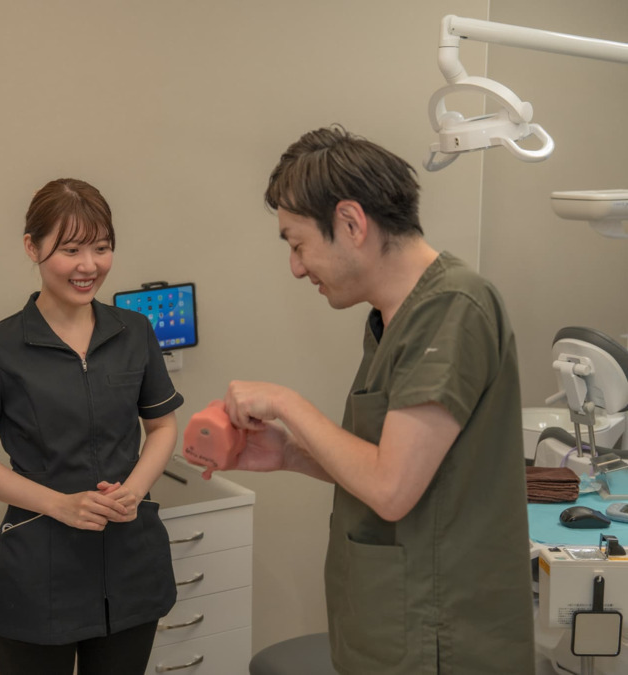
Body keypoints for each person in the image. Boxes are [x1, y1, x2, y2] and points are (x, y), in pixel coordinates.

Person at [221, 126, 534, 674]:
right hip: (389, 627)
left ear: (350, 223)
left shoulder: (454, 307)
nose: (296, 267)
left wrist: (288, 402)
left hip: (440, 636)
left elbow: (391, 490)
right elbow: (395, 467)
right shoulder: (392, 320)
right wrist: (290, 453)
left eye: (298, 245)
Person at [0, 178, 183, 675]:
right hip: (40, 570)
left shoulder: (135, 333)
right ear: (32, 248)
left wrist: (134, 491)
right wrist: (60, 504)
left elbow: (163, 427)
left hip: (130, 563)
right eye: (71, 249)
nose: (89, 266)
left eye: (102, 248)